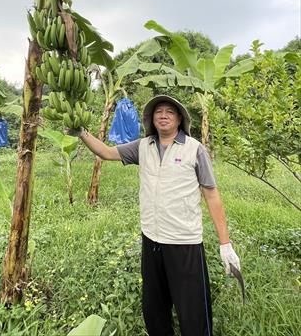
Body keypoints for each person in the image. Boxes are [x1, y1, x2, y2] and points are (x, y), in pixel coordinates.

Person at [76, 94, 240, 336]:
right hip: (152, 241)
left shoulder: (195, 149)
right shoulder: (143, 146)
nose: (163, 116)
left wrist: (225, 243)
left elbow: (211, 194)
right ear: (151, 119)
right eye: (158, 112)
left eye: (169, 112)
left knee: (193, 311)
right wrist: (82, 132)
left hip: (184, 243)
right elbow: (107, 152)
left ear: (179, 119)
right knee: (154, 309)